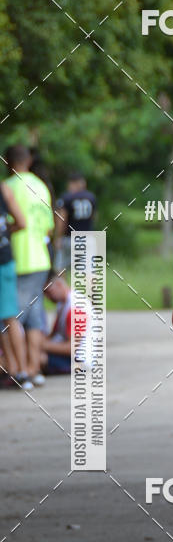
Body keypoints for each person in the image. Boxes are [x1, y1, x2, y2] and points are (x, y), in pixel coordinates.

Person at [4, 144, 54, 386]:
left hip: (21, 259)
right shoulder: (41, 186)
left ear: (8, 162)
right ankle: (34, 369)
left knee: (12, 317)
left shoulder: (10, 187)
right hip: (41, 258)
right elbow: (49, 226)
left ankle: (20, 371)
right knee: (34, 318)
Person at [0, 178, 31, 389]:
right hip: (6, 259)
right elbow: (21, 222)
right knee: (9, 317)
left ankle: (18, 369)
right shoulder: (4, 189)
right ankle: (18, 370)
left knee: (8, 318)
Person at [54, 171, 97, 271]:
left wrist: (58, 237)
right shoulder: (91, 197)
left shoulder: (66, 197)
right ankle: (89, 287)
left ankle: (64, 287)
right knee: (88, 270)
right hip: (88, 238)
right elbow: (94, 217)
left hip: (70, 238)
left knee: (59, 269)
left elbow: (61, 219)